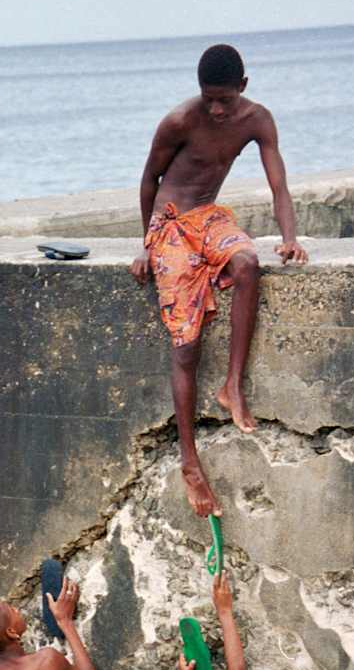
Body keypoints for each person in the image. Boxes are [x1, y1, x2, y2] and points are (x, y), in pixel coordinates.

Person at [130, 43, 308, 518]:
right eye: (209, 97)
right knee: (185, 346)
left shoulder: (257, 120)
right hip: (169, 223)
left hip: (207, 218)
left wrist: (290, 237)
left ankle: (233, 385)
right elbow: (149, 179)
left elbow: (279, 185)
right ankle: (190, 464)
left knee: (248, 262)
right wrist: (147, 245)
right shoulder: (179, 121)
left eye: (225, 99)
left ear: (243, 88)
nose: (216, 108)